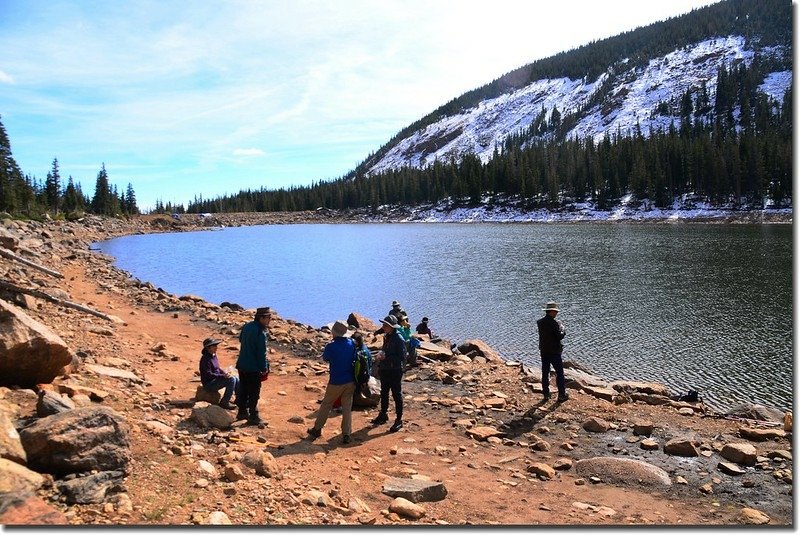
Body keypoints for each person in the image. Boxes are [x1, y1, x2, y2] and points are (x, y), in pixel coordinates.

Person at [308, 321, 358, 444]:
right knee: (347, 408)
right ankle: (346, 434)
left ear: (334, 333)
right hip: (350, 380)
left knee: (326, 404)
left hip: (336, 381)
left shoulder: (331, 346)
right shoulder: (351, 343)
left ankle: (317, 429)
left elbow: (326, 358)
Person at [235, 306, 272, 424]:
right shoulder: (260, 332)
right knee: (254, 392)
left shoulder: (247, 326)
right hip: (253, 367)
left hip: (242, 364)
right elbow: (261, 352)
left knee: (244, 389)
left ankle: (241, 412)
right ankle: (253, 416)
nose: (269, 320)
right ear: (261, 318)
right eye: (268, 318)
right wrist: (264, 368)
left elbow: (241, 339)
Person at [372, 315, 407, 432]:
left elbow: (402, 357)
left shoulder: (399, 339)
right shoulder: (388, 336)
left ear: (391, 327)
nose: (383, 327)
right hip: (385, 369)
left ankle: (399, 420)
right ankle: (383, 414)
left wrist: (386, 357)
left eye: (385, 325)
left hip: (395, 370)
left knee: (396, 394)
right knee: (384, 392)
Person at [536, 301, 569, 402]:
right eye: (555, 312)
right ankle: (561, 395)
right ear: (550, 312)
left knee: (545, 372)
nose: (556, 313)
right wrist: (563, 329)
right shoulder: (554, 323)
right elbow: (559, 336)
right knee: (560, 373)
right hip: (554, 352)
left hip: (544, 351)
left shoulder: (540, 322)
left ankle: (546, 394)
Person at [199, 337, 239, 410]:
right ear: (208, 348)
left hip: (215, 380)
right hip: (209, 384)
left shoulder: (213, 356)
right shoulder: (205, 359)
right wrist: (222, 376)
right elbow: (208, 374)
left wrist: (224, 373)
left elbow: (217, 368)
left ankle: (239, 399)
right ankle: (224, 402)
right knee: (231, 380)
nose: (216, 347)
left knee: (236, 378)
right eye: (214, 346)